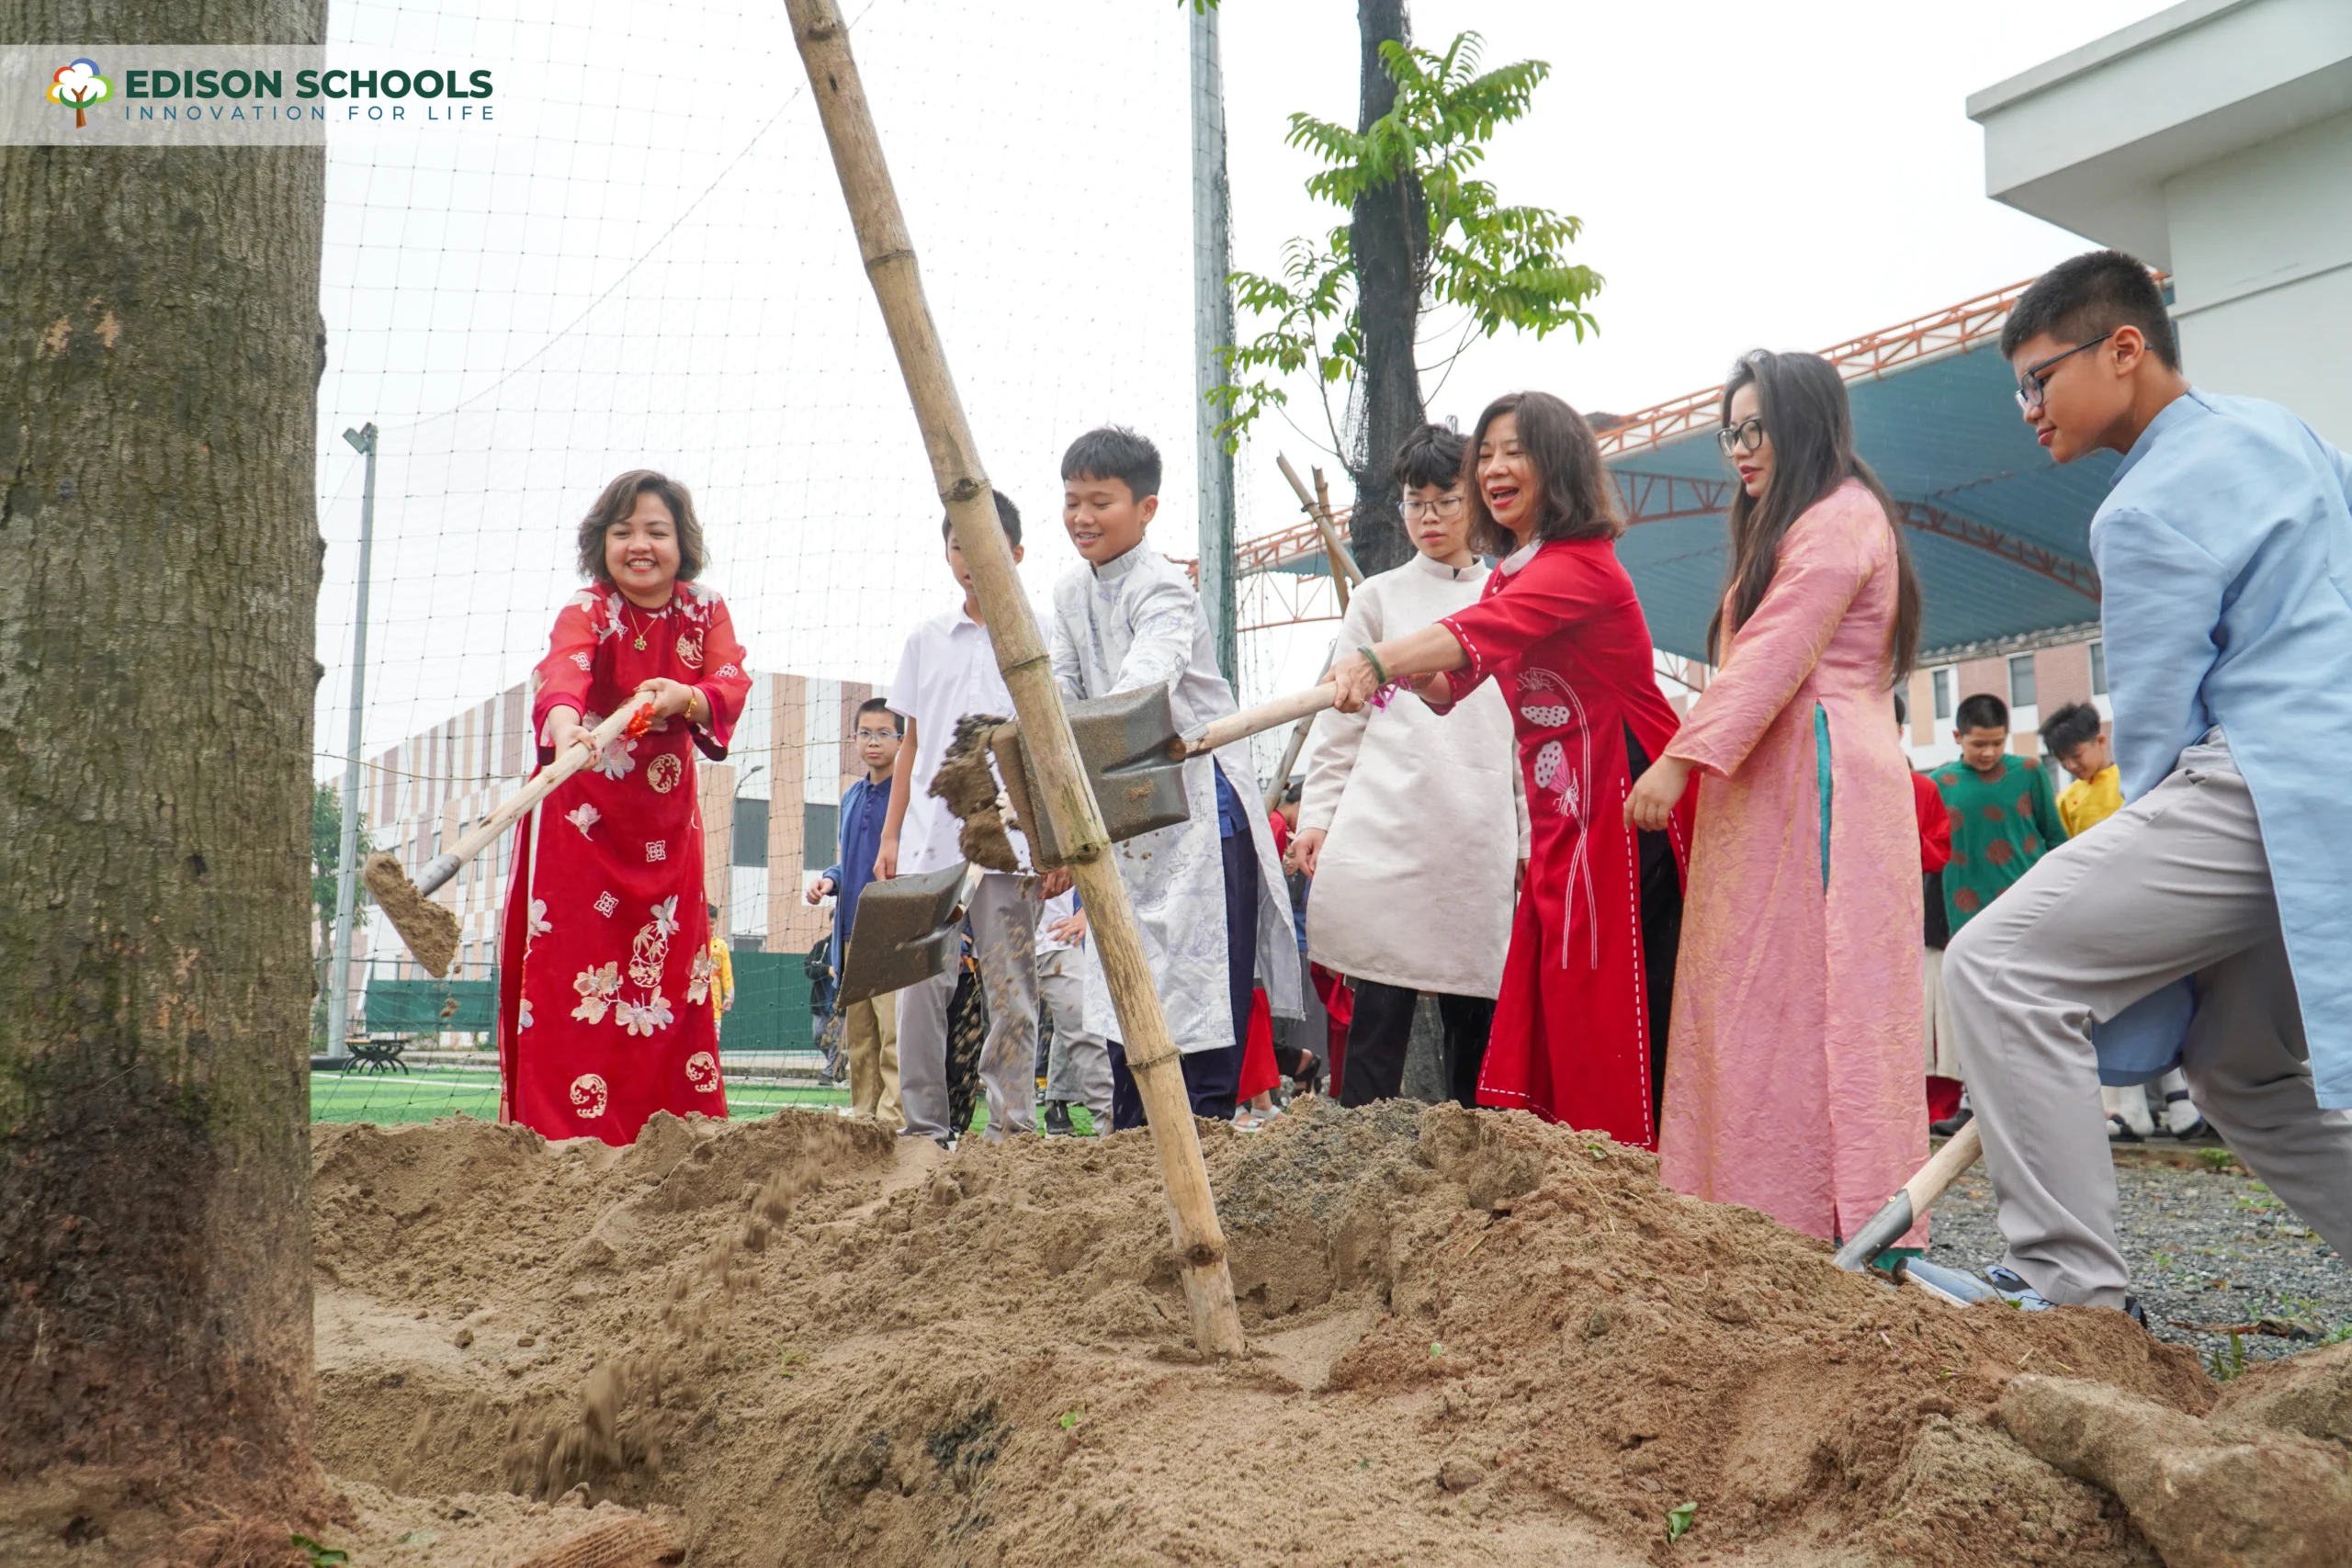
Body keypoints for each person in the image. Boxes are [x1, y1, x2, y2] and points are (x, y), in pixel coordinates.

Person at [1941, 248, 2352, 1311]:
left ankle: (2070, 1292)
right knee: (2238, 1070)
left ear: (2123, 349)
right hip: (2328, 792)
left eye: (2038, 377)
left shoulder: (2138, 509)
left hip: (2260, 783)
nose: (2026, 408)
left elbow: (2159, 737)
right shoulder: (2282, 433)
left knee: (1996, 968)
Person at [1624, 350, 1929, 1253]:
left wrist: (1678, 759)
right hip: (1778, 786)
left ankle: (1828, 1221)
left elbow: (1773, 652)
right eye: (1731, 431)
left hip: (1817, 786)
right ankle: (1755, 1208)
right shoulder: (1800, 521)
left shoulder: (1839, 519)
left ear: (1806, 426)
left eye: (1755, 429)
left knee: (1812, 1004)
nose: (1740, 450)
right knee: (1755, 1000)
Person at [1329, 391, 1689, 1148]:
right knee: (1559, 977)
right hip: (1564, 805)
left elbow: (1477, 633)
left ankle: (1626, 1159)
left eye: (1513, 452)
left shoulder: (1580, 567)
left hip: (1627, 794)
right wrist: (1387, 671)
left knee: (1608, 985)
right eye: (1485, 454)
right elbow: (1452, 683)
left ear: (1556, 463)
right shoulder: (1511, 573)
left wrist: (1379, 658)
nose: (1495, 468)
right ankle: (1570, 1150)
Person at [1048, 426, 1299, 1129]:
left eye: (1100, 501)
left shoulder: (1166, 589)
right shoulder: (1069, 593)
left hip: (1197, 816)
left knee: (1202, 1003)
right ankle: (1133, 1154)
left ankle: (1208, 1151)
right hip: (1123, 815)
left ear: (1146, 509)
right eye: (1072, 501)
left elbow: (1138, 696)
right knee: (1127, 1001)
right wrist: (1059, 827)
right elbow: (1061, 700)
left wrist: (1074, 805)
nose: (1082, 517)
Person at [494, 469, 751, 1144]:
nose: (640, 544)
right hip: (581, 819)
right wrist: (563, 727)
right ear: (600, 542)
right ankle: (559, 1138)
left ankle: (672, 1131)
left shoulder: (705, 610)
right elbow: (563, 672)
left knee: (666, 975)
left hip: (664, 826)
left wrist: (682, 698)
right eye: (623, 531)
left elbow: (727, 679)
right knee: (572, 971)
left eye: (656, 531)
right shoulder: (588, 609)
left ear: (681, 542)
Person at [1292, 423, 1528, 1109]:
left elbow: (1521, 734)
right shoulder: (1378, 599)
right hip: (1390, 820)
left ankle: (1471, 1153)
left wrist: (1529, 832)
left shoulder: (1506, 597)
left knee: (1474, 1008)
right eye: (1415, 501)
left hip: (1477, 826)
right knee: (1380, 997)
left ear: (1475, 502)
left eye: (1446, 500)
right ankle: (1359, 1154)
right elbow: (1341, 722)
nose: (1430, 517)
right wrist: (1317, 818)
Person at [876, 493, 1042, 1145]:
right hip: (931, 845)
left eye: (989, 545)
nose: (972, 559)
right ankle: (924, 1128)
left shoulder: (1043, 634)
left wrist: (1052, 846)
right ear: (947, 554)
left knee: (1012, 989)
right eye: (959, 546)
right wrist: (892, 835)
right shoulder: (927, 639)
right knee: (920, 988)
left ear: (1018, 553)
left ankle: (1012, 1130)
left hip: (1014, 844)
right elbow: (911, 744)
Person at [2037, 699, 2205, 1141]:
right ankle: (2136, 1112)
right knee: (2117, 1011)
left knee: (2157, 1004)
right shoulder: (2067, 799)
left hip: (2144, 904)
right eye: (2064, 760)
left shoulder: (2132, 782)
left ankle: (2179, 1106)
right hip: (2099, 913)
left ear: (2100, 740)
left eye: (2078, 754)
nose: (2073, 765)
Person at [1926, 692, 2068, 1134]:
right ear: (1957, 738)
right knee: (1971, 1012)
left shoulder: (2028, 773)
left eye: (1996, 743)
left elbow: (2056, 839)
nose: (1988, 753)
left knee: (2030, 1006)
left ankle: (2041, 1102)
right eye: (1978, 744)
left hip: (2027, 912)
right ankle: (1973, 1103)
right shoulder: (1938, 784)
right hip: (1962, 917)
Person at [808, 698, 904, 1127]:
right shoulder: (851, 795)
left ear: (903, 740)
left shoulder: (909, 795)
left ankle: (893, 1120)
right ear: (854, 739)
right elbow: (850, 861)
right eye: (865, 733)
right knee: (861, 1035)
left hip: (894, 933)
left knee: (895, 1035)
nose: (874, 742)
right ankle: (864, 1117)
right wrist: (830, 879)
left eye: (884, 733)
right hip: (850, 933)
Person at [1035, 888, 1109, 1135]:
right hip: (1003, 934)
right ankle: (1010, 1132)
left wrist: (1084, 912)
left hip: (1060, 934)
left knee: (1085, 1023)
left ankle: (1110, 1122)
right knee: (1009, 1036)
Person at [706, 904, 736, 1034]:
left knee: (713, 1040)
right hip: (693, 1002)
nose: (709, 927)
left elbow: (727, 975)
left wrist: (729, 998)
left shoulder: (721, 946)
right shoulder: (692, 943)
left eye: (712, 923)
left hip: (714, 1004)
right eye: (706, 923)